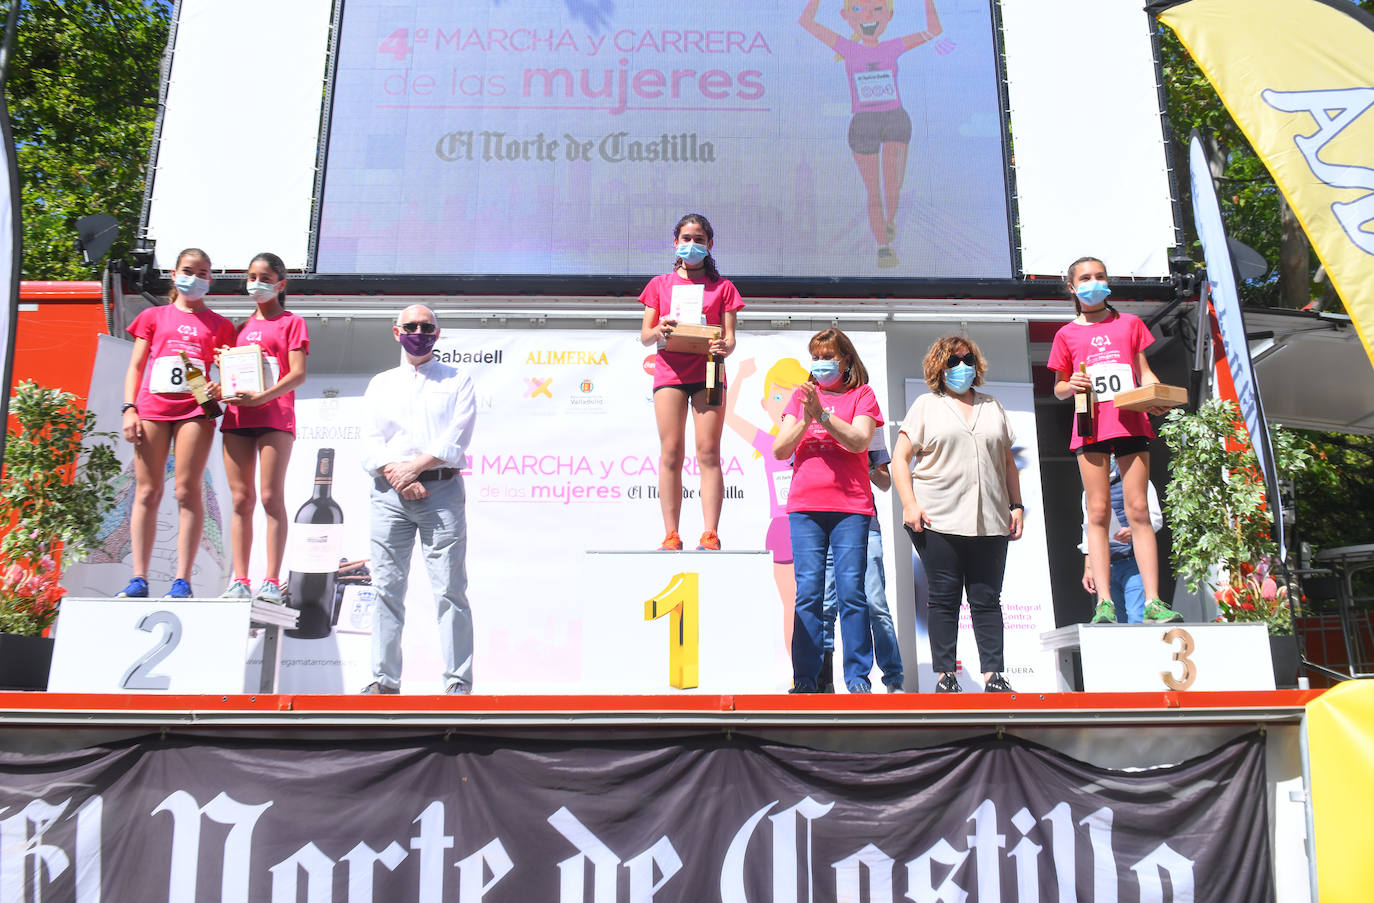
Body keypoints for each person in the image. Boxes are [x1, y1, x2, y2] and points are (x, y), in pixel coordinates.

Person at [1049, 256, 1182, 625]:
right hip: (1089, 423)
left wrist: (1154, 394)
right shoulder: (1066, 334)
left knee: (1139, 509)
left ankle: (1154, 601)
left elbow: (1144, 372)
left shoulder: (1130, 324)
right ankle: (1105, 602)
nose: (1094, 282)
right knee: (1098, 511)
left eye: (1100, 276)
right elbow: (1059, 387)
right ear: (1073, 288)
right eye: (1086, 278)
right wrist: (1070, 385)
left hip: (1130, 422)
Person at [891, 335, 1023, 693]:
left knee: (987, 600)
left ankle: (994, 675)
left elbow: (1008, 462)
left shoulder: (992, 405)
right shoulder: (926, 406)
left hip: (990, 520)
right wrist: (909, 504)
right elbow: (900, 459)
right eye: (952, 362)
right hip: (940, 519)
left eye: (966, 360)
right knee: (945, 597)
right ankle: (945, 675)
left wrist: (1017, 505)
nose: (961, 367)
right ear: (939, 368)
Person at [359, 305, 477, 695]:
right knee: (387, 589)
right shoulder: (381, 383)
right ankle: (384, 681)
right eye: (411, 326)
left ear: (438, 334)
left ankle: (458, 683)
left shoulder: (457, 379)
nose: (418, 331)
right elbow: (371, 442)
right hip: (389, 493)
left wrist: (416, 468)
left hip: (441, 491)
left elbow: (456, 436)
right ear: (396, 332)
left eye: (427, 327)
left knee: (449, 590)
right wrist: (400, 475)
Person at [118, 247, 237, 599]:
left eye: (202, 273)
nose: (195, 278)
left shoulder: (220, 325)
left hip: (196, 407)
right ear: (174, 273)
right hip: (153, 407)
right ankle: (139, 578)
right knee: (148, 490)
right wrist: (129, 407)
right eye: (188, 270)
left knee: (187, 490)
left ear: (210, 279)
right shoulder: (154, 317)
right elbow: (137, 366)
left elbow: (230, 372)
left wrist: (220, 386)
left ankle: (182, 580)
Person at [773, 328, 882, 693]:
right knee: (808, 594)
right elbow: (779, 449)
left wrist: (822, 416)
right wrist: (807, 416)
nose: (820, 365)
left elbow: (860, 440)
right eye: (815, 358)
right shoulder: (801, 399)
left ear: (846, 359)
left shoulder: (862, 395)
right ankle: (804, 679)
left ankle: (857, 679)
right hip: (805, 507)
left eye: (827, 357)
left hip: (851, 506)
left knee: (852, 593)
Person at [799, 0, 943, 269]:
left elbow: (933, 30)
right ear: (845, 16)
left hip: (894, 120)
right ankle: (883, 247)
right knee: (873, 189)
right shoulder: (847, 47)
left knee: (892, 185)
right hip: (864, 123)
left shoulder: (893, 46)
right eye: (857, 10)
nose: (867, 16)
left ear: (888, 15)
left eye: (877, 9)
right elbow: (807, 23)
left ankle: (888, 224)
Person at [640, 213, 743, 551]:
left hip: (710, 370)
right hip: (670, 370)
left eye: (698, 239)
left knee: (708, 451)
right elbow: (645, 336)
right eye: (685, 238)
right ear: (675, 242)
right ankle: (671, 534)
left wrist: (722, 346)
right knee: (671, 450)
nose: (692, 245)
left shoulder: (723, 288)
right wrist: (661, 330)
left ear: (710, 245)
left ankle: (710, 533)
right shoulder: (659, 285)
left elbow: (729, 341)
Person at [214, 252, 309, 604]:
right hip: (238, 418)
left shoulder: (291, 322)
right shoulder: (239, 329)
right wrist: (220, 374)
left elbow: (297, 374)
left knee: (270, 497)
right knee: (241, 498)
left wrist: (262, 397)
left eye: (265, 278)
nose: (257, 283)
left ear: (281, 284)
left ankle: (270, 580)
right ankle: (239, 579)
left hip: (275, 417)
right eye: (252, 276)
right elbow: (233, 377)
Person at [724, 355, 810, 650]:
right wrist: (739, 376)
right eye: (777, 396)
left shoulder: (812, 438)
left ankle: (818, 672)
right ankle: (798, 674)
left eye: (792, 395)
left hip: (813, 525)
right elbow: (727, 415)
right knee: (791, 604)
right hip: (782, 528)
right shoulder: (767, 443)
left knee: (815, 603)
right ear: (765, 403)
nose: (784, 404)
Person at [819, 428, 905, 692]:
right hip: (824, 525)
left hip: (865, 525)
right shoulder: (814, 421)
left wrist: (863, 463)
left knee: (875, 602)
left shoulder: (866, 425)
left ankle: (893, 680)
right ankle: (824, 683)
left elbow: (885, 481)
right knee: (824, 606)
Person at [1079, 456, 1164, 624]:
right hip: (1106, 566)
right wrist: (1088, 567)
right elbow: (1088, 529)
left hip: (1132, 562)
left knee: (1136, 615)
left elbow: (1154, 519)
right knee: (1114, 619)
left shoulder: (1138, 480)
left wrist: (1133, 532)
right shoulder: (1089, 492)